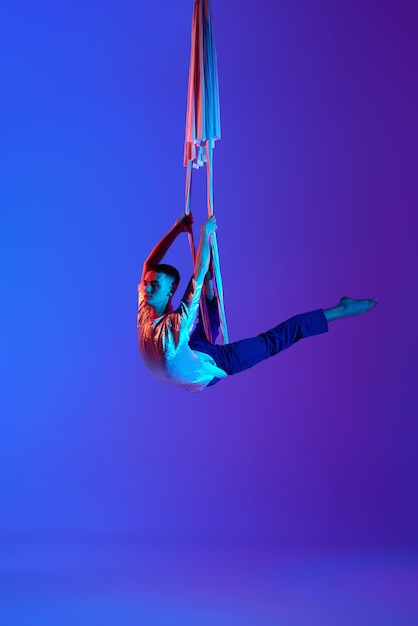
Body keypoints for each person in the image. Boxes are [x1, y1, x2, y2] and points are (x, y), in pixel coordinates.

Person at [137, 213, 377, 392]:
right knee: (271, 342)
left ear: (170, 292)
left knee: (204, 307)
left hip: (189, 351)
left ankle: (340, 309)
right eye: (147, 284)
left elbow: (169, 267)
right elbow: (176, 268)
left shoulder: (162, 317)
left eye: (154, 285)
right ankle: (340, 310)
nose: (145, 289)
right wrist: (192, 232)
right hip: (207, 367)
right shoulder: (158, 317)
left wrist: (186, 231)